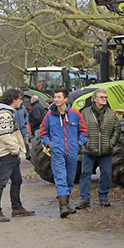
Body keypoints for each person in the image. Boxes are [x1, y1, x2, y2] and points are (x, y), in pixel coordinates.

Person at [38, 88, 88, 218]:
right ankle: (63, 206)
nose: (56, 100)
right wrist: (51, 145)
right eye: (55, 97)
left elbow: (83, 132)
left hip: (72, 151)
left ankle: (67, 203)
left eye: (59, 97)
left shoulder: (75, 114)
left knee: (70, 179)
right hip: (57, 151)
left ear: (65, 99)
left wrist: (79, 144)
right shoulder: (49, 116)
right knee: (60, 177)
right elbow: (43, 134)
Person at [0, 89, 35, 222]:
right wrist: (15, 149)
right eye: (20, 99)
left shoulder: (7, 113)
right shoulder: (4, 115)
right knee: (1, 182)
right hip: (8, 153)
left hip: (10, 153)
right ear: (13, 100)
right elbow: (5, 136)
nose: (21, 101)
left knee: (17, 180)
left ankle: (17, 207)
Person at [78, 89, 120, 208]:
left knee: (106, 174)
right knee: (85, 174)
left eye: (105, 97)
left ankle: (103, 197)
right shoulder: (85, 113)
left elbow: (117, 129)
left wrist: (111, 143)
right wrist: (85, 142)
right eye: (101, 97)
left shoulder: (111, 113)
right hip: (89, 150)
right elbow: (80, 129)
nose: (104, 99)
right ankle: (84, 199)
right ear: (94, 99)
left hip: (106, 150)